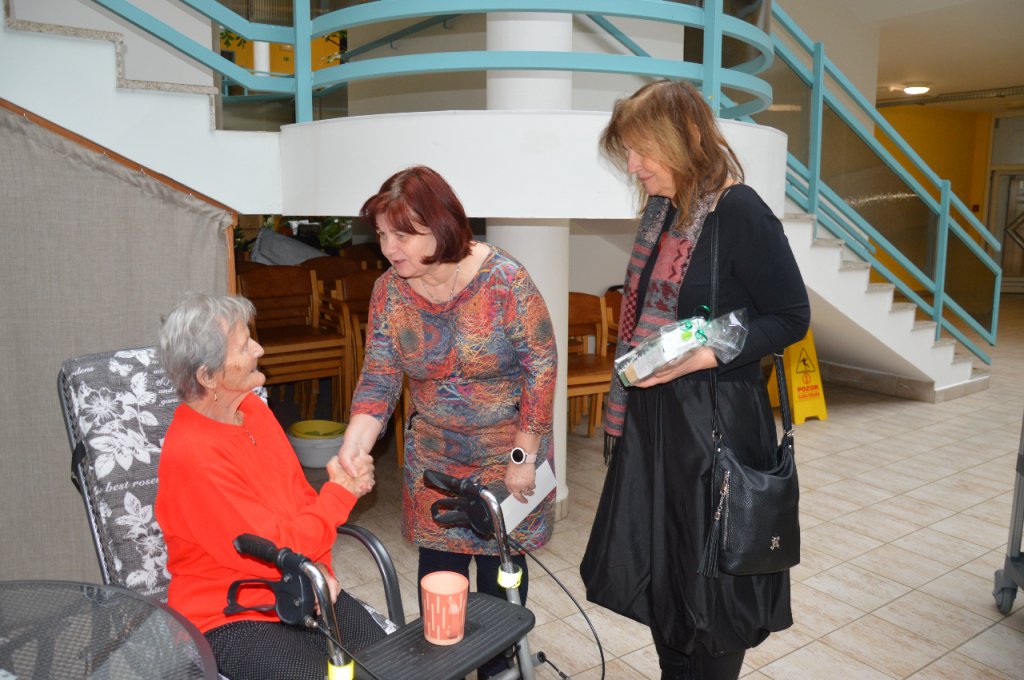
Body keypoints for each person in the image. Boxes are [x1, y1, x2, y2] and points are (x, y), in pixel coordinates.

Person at [580, 80, 810, 680]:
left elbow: (790, 317)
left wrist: (708, 355)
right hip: (657, 422)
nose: (633, 166)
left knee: (713, 586)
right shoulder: (663, 212)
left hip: (716, 423)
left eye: (642, 150)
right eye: (627, 152)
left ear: (685, 139)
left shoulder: (739, 211)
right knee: (667, 578)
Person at [337, 165, 558, 678]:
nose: (389, 248)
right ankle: (446, 663)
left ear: (440, 226)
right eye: (382, 235)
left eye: (402, 235)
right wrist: (355, 443)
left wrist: (523, 457)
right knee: (439, 573)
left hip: (508, 452)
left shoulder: (505, 281)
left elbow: (541, 367)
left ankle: (501, 666)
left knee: (501, 571)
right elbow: (379, 378)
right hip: (435, 456)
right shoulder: (390, 291)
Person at [155, 293, 387, 680]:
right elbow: (275, 548)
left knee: (388, 666)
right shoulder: (193, 456)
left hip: (298, 583)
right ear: (208, 377)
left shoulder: (252, 410)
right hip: (231, 611)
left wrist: (321, 570)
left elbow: (300, 500)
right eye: (244, 345)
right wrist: (341, 493)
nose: (259, 349)